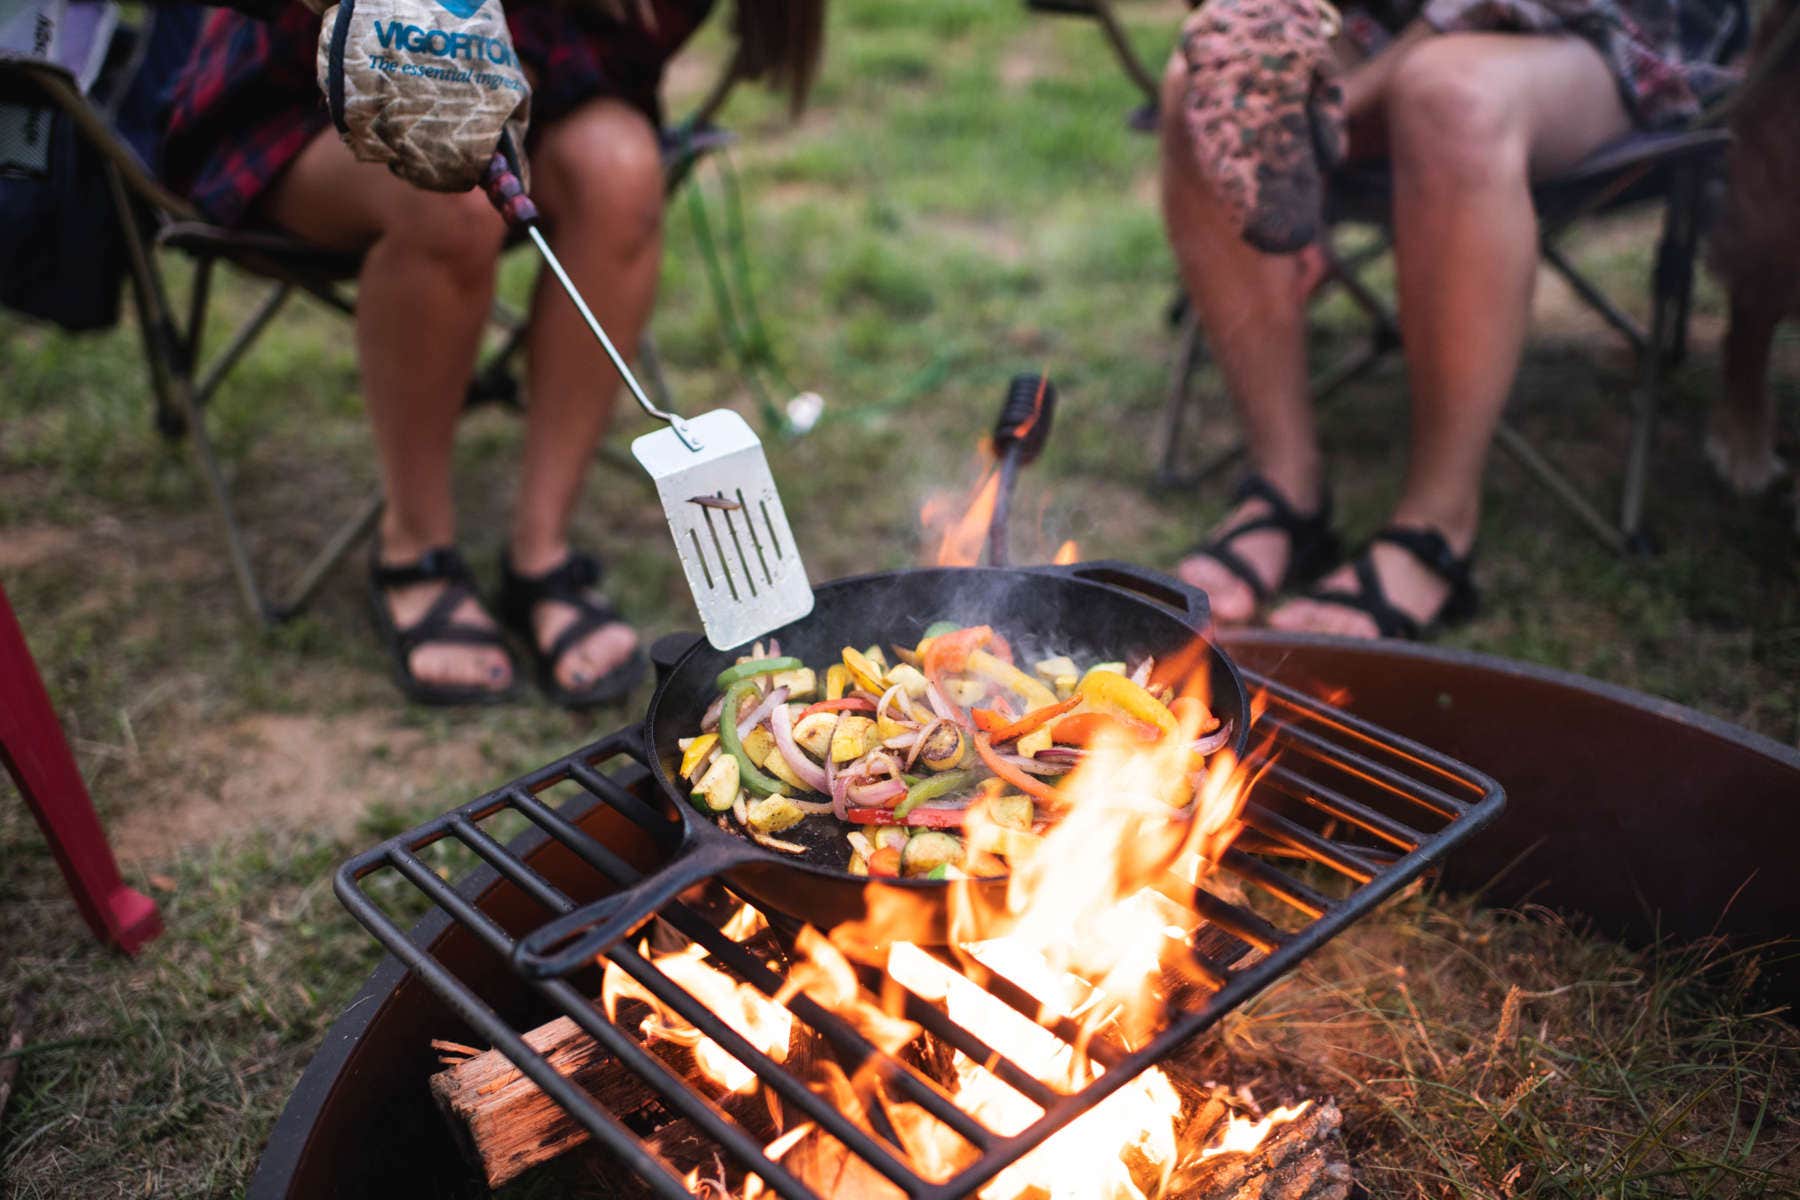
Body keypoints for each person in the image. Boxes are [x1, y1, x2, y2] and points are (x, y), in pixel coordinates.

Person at [162, 0, 824, 704]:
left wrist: (506, 73)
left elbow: (604, 67)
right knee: (451, 203)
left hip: (529, 95)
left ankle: (541, 553)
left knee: (623, 173)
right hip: (299, 102)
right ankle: (414, 547)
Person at [1163, 0, 1735, 638]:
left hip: (1602, 27)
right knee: (1207, 89)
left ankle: (1436, 525)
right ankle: (1283, 487)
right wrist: (1272, 148)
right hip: (1374, 19)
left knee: (1449, 93)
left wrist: (1322, 122)